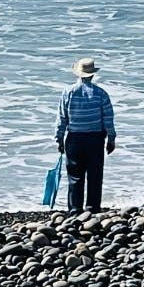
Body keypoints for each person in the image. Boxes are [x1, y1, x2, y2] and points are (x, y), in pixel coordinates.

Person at [55, 57, 116, 211]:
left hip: (74, 138)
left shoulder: (68, 93)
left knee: (75, 176)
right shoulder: (101, 94)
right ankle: (92, 208)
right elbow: (108, 118)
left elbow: (62, 118)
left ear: (78, 74)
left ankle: (75, 210)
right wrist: (111, 138)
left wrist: (59, 139)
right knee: (95, 175)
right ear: (92, 74)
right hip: (95, 139)